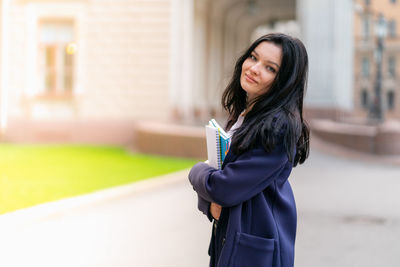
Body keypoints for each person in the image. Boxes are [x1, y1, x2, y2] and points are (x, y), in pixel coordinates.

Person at [188, 33, 310, 267]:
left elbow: (223, 187)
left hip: (254, 251)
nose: (254, 68)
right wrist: (211, 204)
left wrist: (196, 171)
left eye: (270, 68)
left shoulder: (278, 125)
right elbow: (222, 190)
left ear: (283, 81)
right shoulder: (246, 116)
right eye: (253, 57)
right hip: (233, 240)